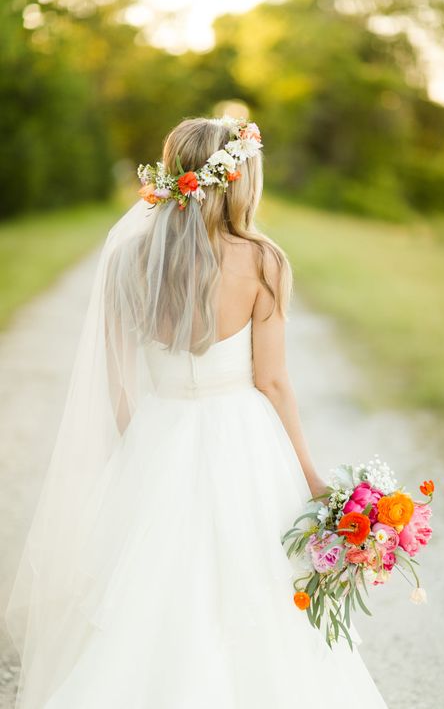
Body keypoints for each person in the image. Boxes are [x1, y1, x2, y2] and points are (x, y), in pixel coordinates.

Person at [5, 115, 388, 708]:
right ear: (237, 181)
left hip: (159, 430)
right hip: (241, 436)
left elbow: (116, 379)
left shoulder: (128, 259)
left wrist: (141, 451)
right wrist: (312, 478)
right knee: (250, 587)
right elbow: (273, 381)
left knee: (149, 593)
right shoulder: (263, 260)